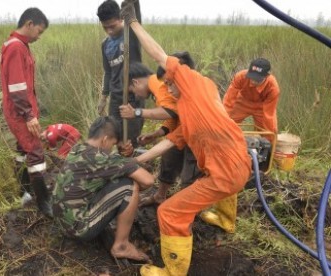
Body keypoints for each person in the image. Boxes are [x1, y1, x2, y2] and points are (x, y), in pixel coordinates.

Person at [120, 1, 252, 275]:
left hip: (224, 174)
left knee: (169, 212)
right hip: (240, 165)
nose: (167, 86)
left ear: (181, 73)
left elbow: (158, 54)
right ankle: (226, 220)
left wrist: (132, 22)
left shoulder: (193, 82)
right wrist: (135, 160)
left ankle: (173, 271)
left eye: (169, 81)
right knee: (216, 182)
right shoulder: (197, 104)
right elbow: (171, 140)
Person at [52, 116, 154, 262]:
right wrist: (128, 162)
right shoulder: (103, 159)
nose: (111, 149)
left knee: (118, 180)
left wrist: (122, 160)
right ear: (105, 140)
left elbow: (105, 170)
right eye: (112, 145)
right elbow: (148, 180)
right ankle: (121, 246)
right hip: (77, 228)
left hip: (63, 222)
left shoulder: (78, 148)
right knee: (129, 186)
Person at [119, 61, 202, 206]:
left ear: (135, 82)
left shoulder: (158, 84)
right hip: (181, 129)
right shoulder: (158, 88)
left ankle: (186, 210)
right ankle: (160, 196)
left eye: (132, 91)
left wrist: (137, 112)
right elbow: (175, 115)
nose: (136, 96)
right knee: (168, 159)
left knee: (190, 174)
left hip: (196, 131)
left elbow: (169, 111)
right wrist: (157, 133)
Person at [0, 8, 52, 217]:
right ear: (29, 24)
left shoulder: (20, 45)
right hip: (19, 112)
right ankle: (44, 203)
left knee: (22, 150)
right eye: (39, 31)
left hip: (21, 110)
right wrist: (29, 115)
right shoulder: (16, 48)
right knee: (36, 152)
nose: (39, 36)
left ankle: (24, 193)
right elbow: (17, 87)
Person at [96, 0, 145, 147]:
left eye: (112, 26)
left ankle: (132, 165)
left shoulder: (132, 34)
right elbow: (108, 72)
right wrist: (104, 97)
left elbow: (136, 15)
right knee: (115, 137)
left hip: (134, 97)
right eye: (105, 28)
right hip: (116, 98)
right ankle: (120, 166)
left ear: (121, 18)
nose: (109, 31)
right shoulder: (105, 45)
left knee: (130, 140)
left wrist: (133, 3)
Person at [223, 58, 280, 141]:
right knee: (225, 122)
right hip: (243, 102)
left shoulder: (273, 88)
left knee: (270, 131)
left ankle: (268, 150)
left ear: (266, 76)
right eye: (251, 77)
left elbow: (269, 114)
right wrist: (223, 116)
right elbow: (228, 100)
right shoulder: (241, 76)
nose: (253, 81)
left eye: (257, 79)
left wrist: (269, 135)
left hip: (262, 106)